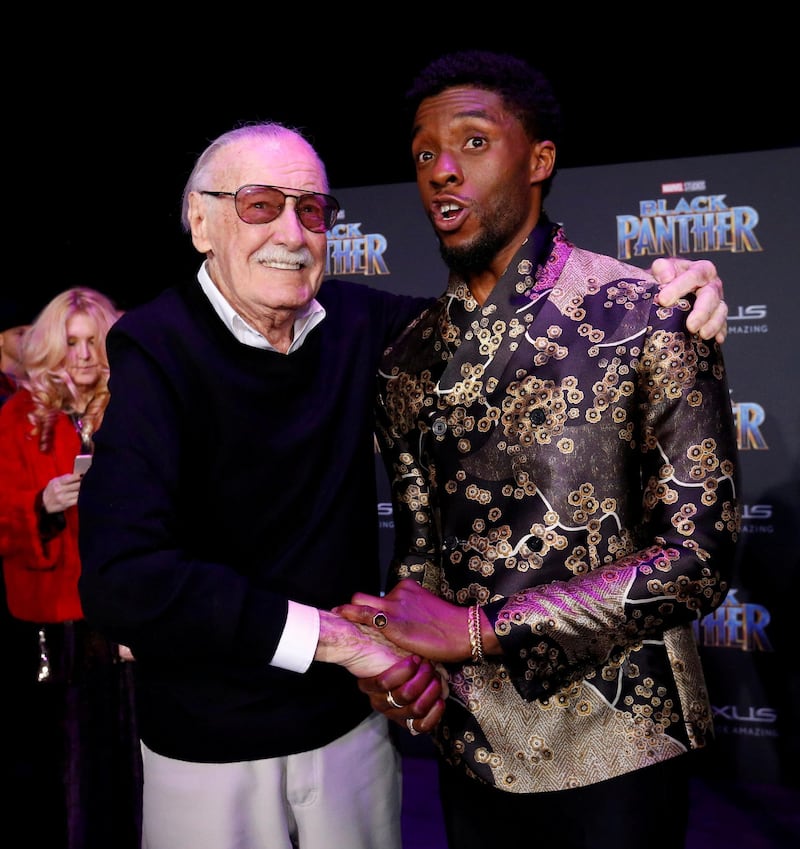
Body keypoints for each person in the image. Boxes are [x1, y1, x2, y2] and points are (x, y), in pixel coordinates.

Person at [76, 122, 728, 849]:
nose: (292, 231)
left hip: (350, 732)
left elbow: (518, 322)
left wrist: (662, 292)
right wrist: (342, 643)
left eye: (313, 209)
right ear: (201, 221)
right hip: (210, 740)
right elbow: (121, 579)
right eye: (261, 204)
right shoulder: (155, 347)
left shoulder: (363, 325)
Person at [334, 51, 740, 849]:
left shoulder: (649, 313)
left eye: (473, 143)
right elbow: (421, 555)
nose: (442, 171)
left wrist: (479, 631)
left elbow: (699, 557)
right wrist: (404, 652)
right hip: (472, 746)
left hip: (620, 741)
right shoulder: (406, 355)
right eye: (424, 154)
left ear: (540, 160)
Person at [0, 287, 142, 849]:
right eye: (71, 343)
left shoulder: (133, 405)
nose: (82, 356)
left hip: (126, 620)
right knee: (66, 771)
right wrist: (43, 505)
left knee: (129, 765)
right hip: (54, 623)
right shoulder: (18, 416)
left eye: (94, 342)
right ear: (51, 348)